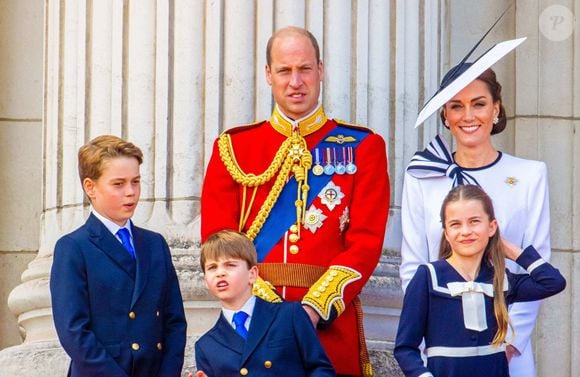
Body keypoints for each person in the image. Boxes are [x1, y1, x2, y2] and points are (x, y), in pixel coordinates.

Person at [201, 26, 390, 376]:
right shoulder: (233, 148)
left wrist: (312, 310)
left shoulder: (364, 147)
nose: (295, 82)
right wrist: (271, 313)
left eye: (304, 69)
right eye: (285, 71)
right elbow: (218, 243)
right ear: (268, 75)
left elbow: (365, 242)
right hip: (254, 323)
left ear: (321, 70)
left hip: (329, 327)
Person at [401, 60, 551, 375]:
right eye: (456, 106)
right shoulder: (421, 176)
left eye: (479, 104)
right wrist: (436, 337)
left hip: (504, 350)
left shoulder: (529, 175)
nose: (468, 116)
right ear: (445, 114)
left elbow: (538, 259)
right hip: (444, 352)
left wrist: (509, 342)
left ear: (496, 109)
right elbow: (413, 267)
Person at [50, 135, 187, 377]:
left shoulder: (155, 244)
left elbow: (174, 322)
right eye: (118, 184)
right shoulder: (73, 247)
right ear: (90, 187)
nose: (131, 192)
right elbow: (74, 332)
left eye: (136, 182)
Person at [395, 185, 565, 377]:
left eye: (474, 221)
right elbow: (405, 348)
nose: (465, 231)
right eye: (455, 224)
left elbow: (553, 282)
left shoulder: (500, 280)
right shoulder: (428, 276)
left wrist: (509, 249)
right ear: (446, 233)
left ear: (492, 227)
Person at [194, 229, 336, 377]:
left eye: (230, 265)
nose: (220, 273)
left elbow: (321, 369)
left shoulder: (290, 315)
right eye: (212, 267)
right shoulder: (206, 346)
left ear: (253, 274)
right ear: (206, 281)